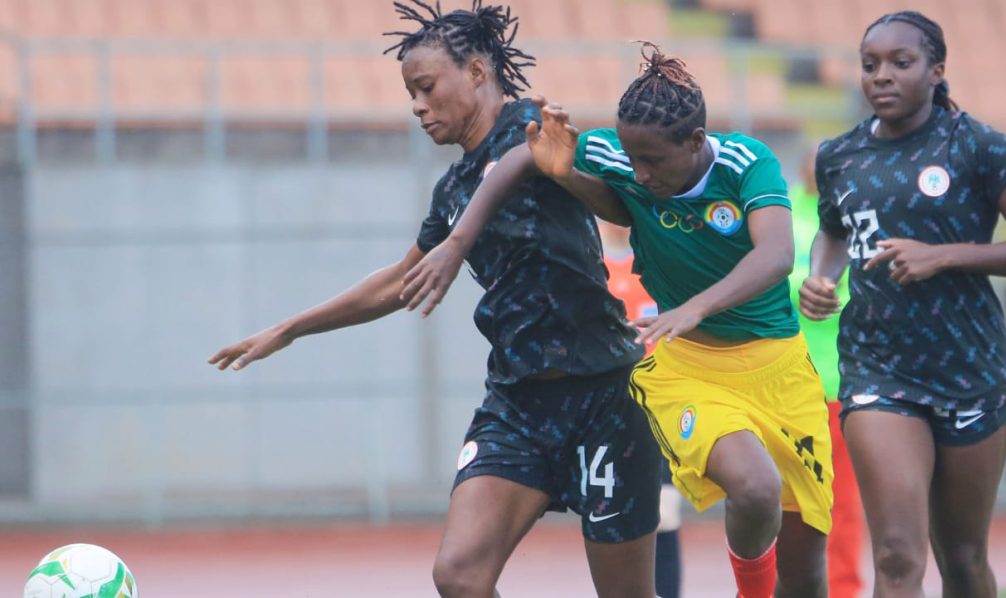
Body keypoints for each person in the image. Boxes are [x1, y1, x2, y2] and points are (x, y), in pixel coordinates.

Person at [209, 3, 662, 597]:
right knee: (459, 576)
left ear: (476, 71)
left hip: (604, 396)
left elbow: (531, 167)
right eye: (411, 94)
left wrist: (459, 241)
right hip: (518, 405)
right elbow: (402, 279)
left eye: (426, 87)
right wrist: (292, 327)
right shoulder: (451, 190)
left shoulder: (532, 129)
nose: (418, 106)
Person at [403, 43, 834, 598]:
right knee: (754, 488)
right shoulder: (621, 152)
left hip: (779, 368)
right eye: (632, 159)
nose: (639, 172)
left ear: (695, 141)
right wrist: (477, 228)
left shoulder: (746, 162)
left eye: (651, 161)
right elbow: (525, 159)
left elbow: (775, 255)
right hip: (689, 371)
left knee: (806, 576)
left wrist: (697, 305)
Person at [799, 11, 1006, 597]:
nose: (881, 76)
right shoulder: (839, 155)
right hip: (878, 369)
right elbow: (835, 231)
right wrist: (821, 277)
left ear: (936, 70)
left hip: (969, 369)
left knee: (963, 560)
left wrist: (943, 256)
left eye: (900, 62)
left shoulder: (978, 146)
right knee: (896, 554)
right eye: (869, 65)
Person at [788, 150, 865, 598]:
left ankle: (843, 588)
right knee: (785, 499)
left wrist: (810, 286)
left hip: (837, 383)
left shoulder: (853, 220)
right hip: (783, 384)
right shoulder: (778, 211)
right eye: (812, 162)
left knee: (841, 500)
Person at [598, 220, 682, 598]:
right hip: (608, 408)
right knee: (610, 516)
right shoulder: (587, 259)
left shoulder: (656, 255)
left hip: (659, 403)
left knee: (665, 513)